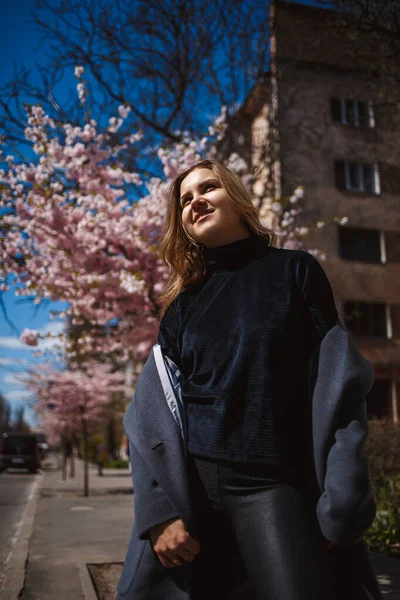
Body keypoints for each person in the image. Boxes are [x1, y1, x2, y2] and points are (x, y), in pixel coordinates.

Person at [116, 159, 380, 600]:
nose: (195, 201)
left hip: (271, 484)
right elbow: (148, 417)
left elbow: (341, 387)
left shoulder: (295, 271)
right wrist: (158, 509)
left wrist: (346, 495)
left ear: (236, 198)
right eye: (184, 200)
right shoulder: (183, 304)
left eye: (208, 188)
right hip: (193, 496)